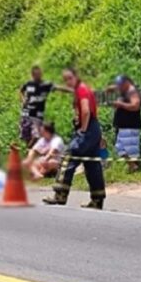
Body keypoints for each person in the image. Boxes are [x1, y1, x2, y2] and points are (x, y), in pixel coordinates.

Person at [43, 68, 106, 209]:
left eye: (70, 78)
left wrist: (83, 130)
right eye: (65, 79)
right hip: (94, 129)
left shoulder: (82, 90)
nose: (68, 82)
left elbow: (85, 111)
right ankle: (97, 199)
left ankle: (60, 195)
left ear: (76, 77)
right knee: (92, 164)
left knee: (68, 156)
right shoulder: (84, 89)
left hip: (88, 129)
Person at [111, 75, 141, 173]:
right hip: (123, 126)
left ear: (126, 83)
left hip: (130, 125)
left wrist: (121, 104)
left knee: (130, 149)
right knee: (119, 147)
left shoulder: (132, 91)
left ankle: (134, 168)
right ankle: (132, 166)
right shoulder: (125, 91)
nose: (119, 87)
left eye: (120, 85)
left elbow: (135, 106)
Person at [19, 65, 53, 146]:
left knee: (36, 136)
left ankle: (31, 151)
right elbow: (20, 91)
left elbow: (58, 88)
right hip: (26, 113)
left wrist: (72, 90)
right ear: (32, 75)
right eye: (36, 74)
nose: (38, 76)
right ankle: (30, 153)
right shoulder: (28, 84)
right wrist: (23, 100)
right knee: (27, 136)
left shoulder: (45, 85)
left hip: (37, 115)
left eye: (39, 74)